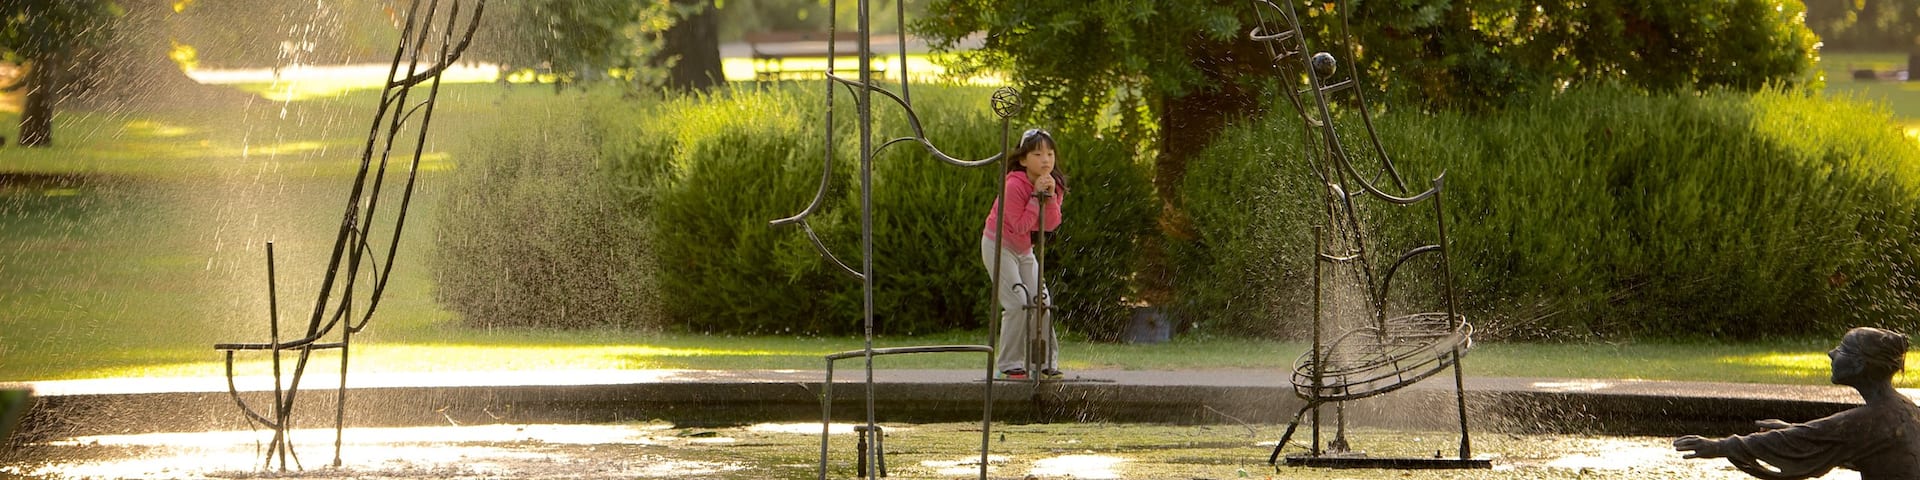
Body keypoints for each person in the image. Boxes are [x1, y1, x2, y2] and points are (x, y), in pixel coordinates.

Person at [1674, 327, 1920, 479]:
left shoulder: (1869, 419)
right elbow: (1852, 447)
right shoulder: (1905, 409)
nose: (1831, 354)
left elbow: (1799, 440)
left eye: (1842, 349)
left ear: (1859, 365)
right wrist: (1792, 428)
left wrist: (1720, 446)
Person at [981, 128, 1066, 380]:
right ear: (1022, 159)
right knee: (1017, 303)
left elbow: (1049, 224)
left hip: (1024, 250)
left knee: (1042, 303)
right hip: (999, 246)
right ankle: (1009, 364)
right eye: (1038, 154)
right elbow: (1018, 225)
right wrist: (1033, 197)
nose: (1045, 160)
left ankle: (1043, 363)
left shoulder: (1054, 184)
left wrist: (1048, 197)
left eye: (1050, 154)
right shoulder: (1013, 185)